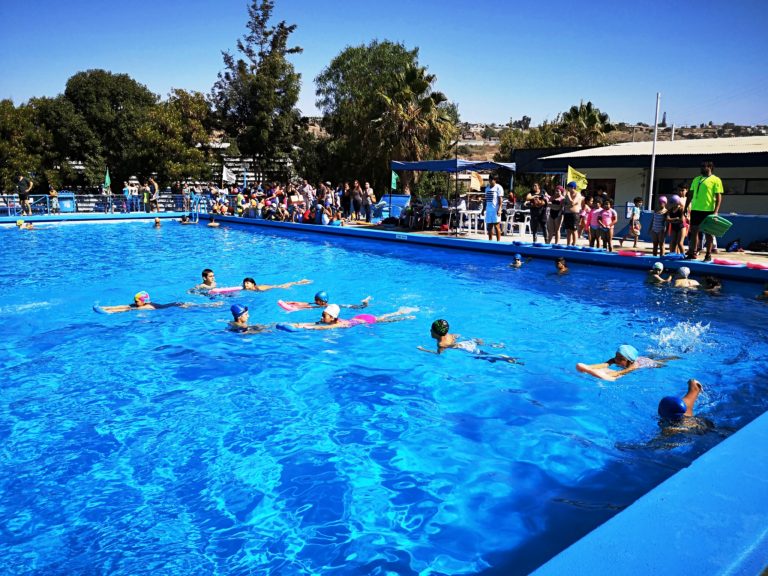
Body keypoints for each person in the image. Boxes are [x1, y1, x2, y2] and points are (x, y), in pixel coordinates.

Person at [417, 319, 519, 363]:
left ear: (437, 333)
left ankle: (503, 357)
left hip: (465, 347)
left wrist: (423, 350)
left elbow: (438, 354)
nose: (430, 331)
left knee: (487, 356)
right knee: (482, 345)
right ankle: (496, 345)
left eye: (432, 330)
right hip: (467, 341)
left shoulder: (441, 344)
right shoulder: (448, 335)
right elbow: (456, 336)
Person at [685, 161, 723, 262]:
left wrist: (716, 212)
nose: (701, 168)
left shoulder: (716, 180)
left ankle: (708, 254)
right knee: (694, 232)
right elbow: (690, 194)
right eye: (701, 166)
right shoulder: (696, 179)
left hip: (708, 210)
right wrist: (686, 207)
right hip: (696, 209)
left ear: (710, 167)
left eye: (703, 167)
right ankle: (693, 253)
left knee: (708, 233)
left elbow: (718, 196)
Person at [277, 304, 417, 331]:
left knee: (383, 321)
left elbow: (319, 328)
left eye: (324, 315)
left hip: (364, 320)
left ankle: (403, 316)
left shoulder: (337, 324)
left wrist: (305, 329)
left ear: (332, 318)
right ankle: (398, 312)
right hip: (358, 317)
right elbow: (314, 323)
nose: (321, 317)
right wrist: (296, 324)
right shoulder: (329, 320)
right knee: (381, 318)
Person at [576, 344, 674, 381]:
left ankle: (675, 357)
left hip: (647, 363)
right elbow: (604, 364)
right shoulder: (617, 358)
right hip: (639, 358)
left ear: (629, 361)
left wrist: (611, 374)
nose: (616, 360)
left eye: (620, 358)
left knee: (662, 362)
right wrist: (588, 367)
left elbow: (619, 373)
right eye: (616, 356)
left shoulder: (634, 366)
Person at [94, 291, 217, 314]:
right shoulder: (140, 303)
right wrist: (105, 307)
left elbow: (127, 310)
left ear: (142, 301)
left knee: (196, 306)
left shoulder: (146, 307)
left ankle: (212, 305)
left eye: (136, 300)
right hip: (173, 304)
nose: (134, 302)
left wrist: (110, 313)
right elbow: (125, 305)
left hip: (176, 306)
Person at [278, 290, 371, 311]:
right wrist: (292, 302)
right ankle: (364, 303)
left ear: (323, 301)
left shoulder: (325, 306)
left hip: (340, 306)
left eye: (317, 300)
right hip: (341, 305)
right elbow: (306, 303)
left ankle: (365, 303)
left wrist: (297, 308)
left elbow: (309, 306)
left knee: (360, 307)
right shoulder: (319, 303)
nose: (315, 301)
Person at [482, 173, 504, 241]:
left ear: (495, 180)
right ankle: (490, 242)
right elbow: (485, 200)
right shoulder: (487, 188)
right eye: (490, 179)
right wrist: (483, 209)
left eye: (492, 179)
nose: (491, 181)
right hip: (489, 210)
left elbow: (500, 199)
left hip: (495, 210)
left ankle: (498, 242)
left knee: (497, 226)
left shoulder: (498, 187)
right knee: (489, 227)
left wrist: (499, 209)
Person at [562, 182, 582, 246]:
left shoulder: (578, 194)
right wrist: (568, 204)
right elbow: (564, 204)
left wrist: (568, 196)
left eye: (569, 187)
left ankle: (574, 244)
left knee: (574, 230)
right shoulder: (567, 194)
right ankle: (568, 244)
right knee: (568, 230)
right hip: (567, 214)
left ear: (573, 187)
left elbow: (572, 202)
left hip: (574, 214)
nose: (567, 189)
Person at [242, 277, 312, 291]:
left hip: (270, 287)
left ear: (253, 284)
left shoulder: (258, 288)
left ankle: (302, 282)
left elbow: (272, 287)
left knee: (283, 286)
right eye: (245, 283)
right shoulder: (246, 288)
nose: (246, 285)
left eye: (248, 283)